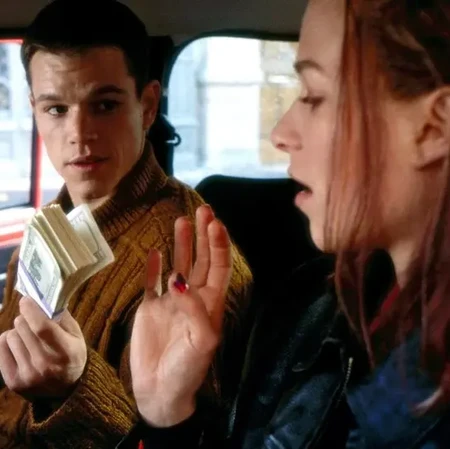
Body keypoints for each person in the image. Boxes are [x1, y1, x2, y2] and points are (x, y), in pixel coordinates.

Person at [120, 0, 450, 447]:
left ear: (434, 128)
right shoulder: (314, 308)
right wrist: (169, 413)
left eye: (313, 96)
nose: (281, 133)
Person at [0, 1, 252, 447]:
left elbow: (187, 440)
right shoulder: (47, 229)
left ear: (148, 106)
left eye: (105, 105)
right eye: (56, 109)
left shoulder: (189, 264)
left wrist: (74, 387)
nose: (79, 133)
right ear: (34, 109)